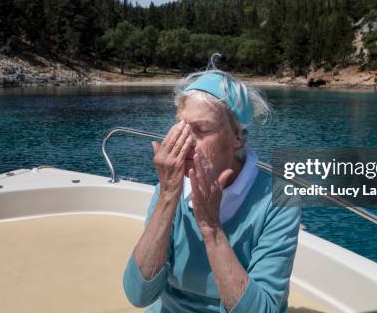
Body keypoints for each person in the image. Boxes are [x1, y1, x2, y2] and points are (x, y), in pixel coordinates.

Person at [122, 67, 301, 312]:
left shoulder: (275, 201)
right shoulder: (169, 191)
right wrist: (167, 197)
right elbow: (138, 295)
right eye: (180, 127)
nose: (184, 141)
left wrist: (211, 229)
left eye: (201, 130)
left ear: (237, 137)